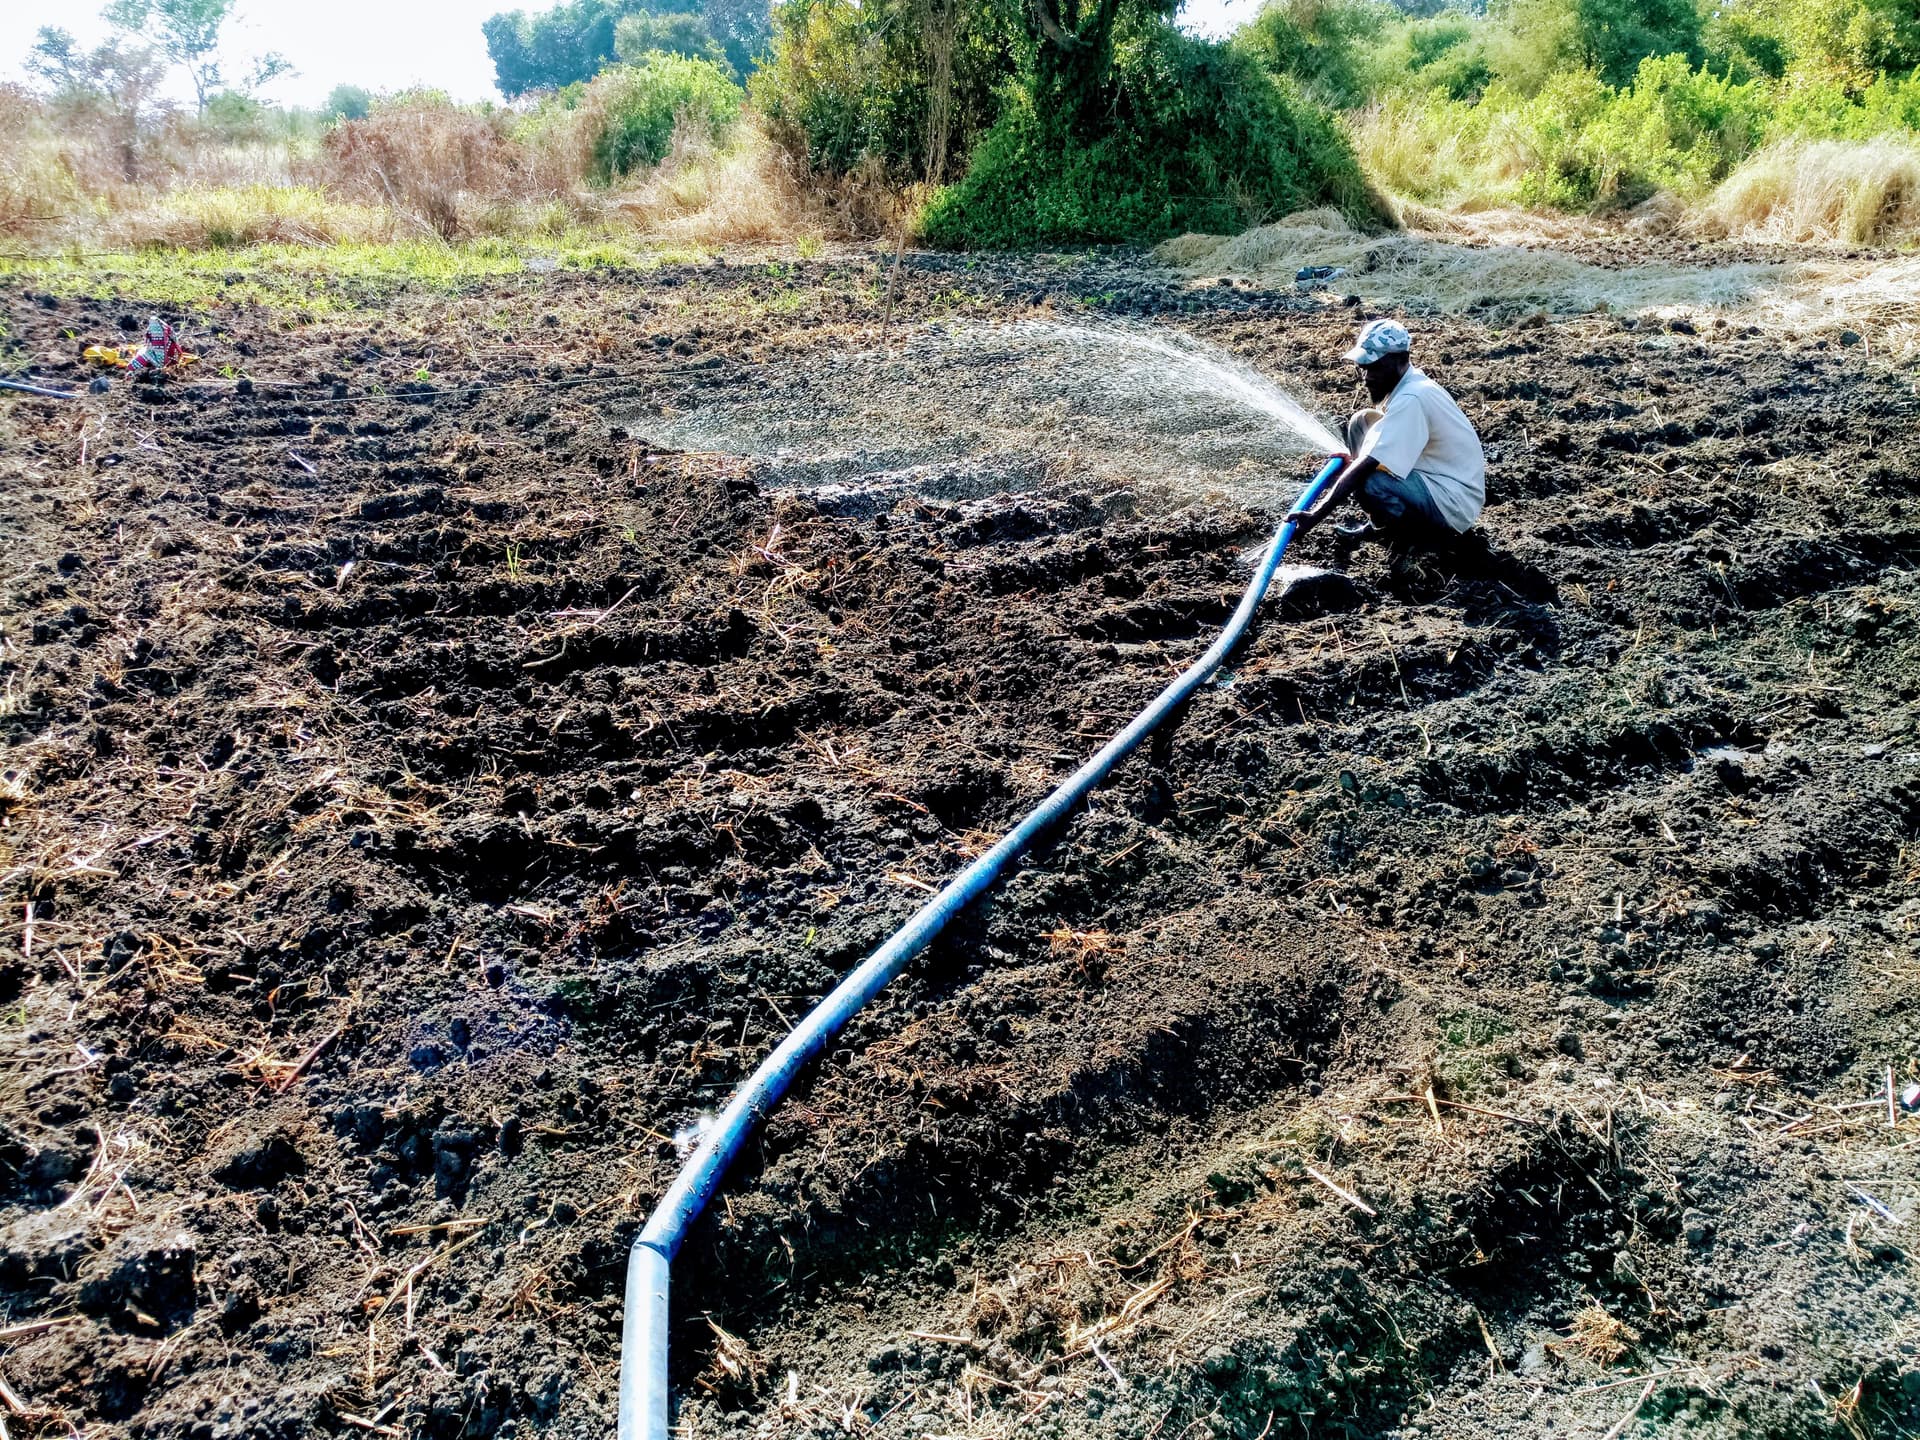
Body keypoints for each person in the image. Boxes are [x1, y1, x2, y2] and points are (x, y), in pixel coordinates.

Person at [1291, 319, 1485, 545]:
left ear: (1400, 360)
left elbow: (1367, 466)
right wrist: (1354, 464)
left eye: (1375, 367)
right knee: (1362, 422)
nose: (1367, 378)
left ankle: (1414, 539)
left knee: (1370, 481)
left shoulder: (1412, 398)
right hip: (1436, 480)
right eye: (1364, 368)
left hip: (1452, 505)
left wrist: (1315, 516)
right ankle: (1381, 524)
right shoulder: (1411, 382)